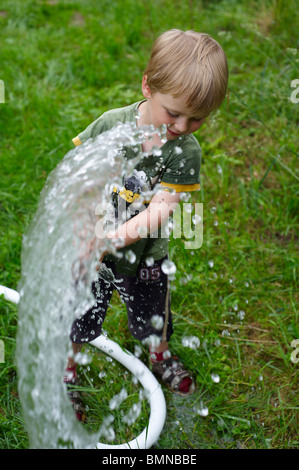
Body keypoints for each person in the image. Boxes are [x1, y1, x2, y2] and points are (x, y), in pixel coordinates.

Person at [64, 29, 228, 420]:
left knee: (154, 317)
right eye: (174, 113)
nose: (184, 125)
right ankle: (66, 371)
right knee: (79, 314)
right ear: (147, 86)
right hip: (93, 253)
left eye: (197, 119)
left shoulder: (185, 151)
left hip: (145, 257)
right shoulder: (111, 126)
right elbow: (79, 177)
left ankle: (160, 356)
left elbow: (161, 209)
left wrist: (112, 238)